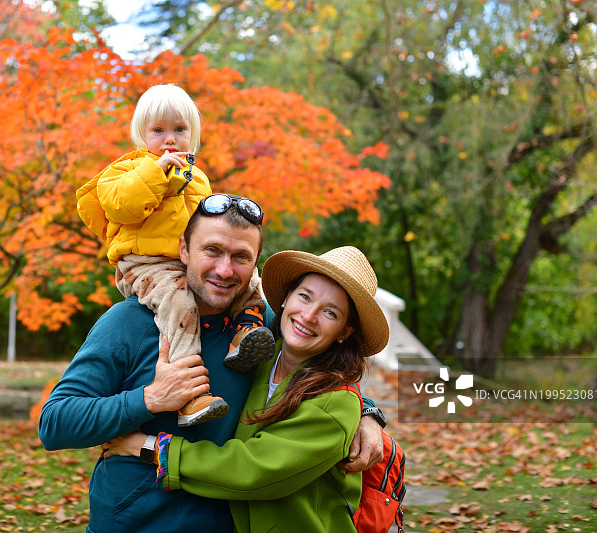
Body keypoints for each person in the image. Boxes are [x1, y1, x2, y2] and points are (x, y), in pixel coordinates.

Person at [38, 200, 388, 533]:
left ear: (255, 264)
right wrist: (148, 399)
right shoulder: (129, 323)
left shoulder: (257, 330)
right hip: (134, 523)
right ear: (184, 250)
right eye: (212, 251)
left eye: (240, 257)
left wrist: (367, 412)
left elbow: (316, 372)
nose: (224, 269)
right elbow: (55, 423)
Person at [104, 246, 390, 533]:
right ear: (287, 297)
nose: (309, 315)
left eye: (330, 312)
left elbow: (251, 470)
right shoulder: (257, 353)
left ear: (344, 332)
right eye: (305, 296)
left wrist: (149, 448)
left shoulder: (336, 403)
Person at [74, 84, 275, 427]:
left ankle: (246, 332)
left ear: (192, 136)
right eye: (158, 130)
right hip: (145, 263)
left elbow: (207, 229)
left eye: (179, 130)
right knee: (181, 305)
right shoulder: (125, 171)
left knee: (252, 280)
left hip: (187, 261)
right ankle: (190, 394)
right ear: (142, 134)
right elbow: (122, 205)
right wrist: (156, 172)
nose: (169, 139)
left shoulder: (197, 178)